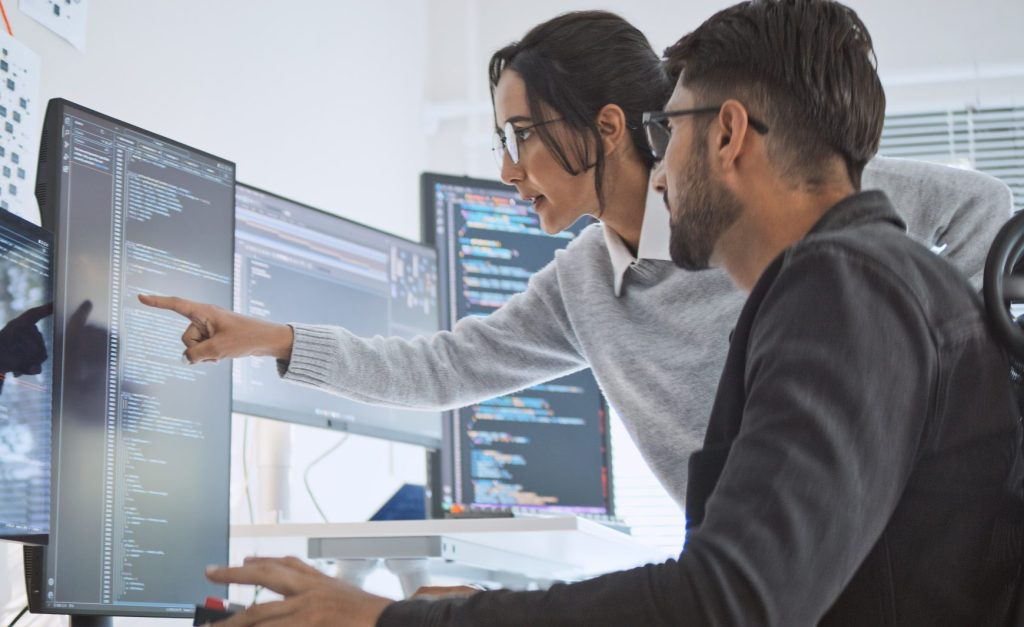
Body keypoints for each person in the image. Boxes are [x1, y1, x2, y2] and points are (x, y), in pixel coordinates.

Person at [200, 0, 1024, 624]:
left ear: (725, 135)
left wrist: (964, 365)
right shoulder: (594, 282)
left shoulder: (845, 276)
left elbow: (726, 599)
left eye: (672, 129)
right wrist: (282, 341)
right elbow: (447, 363)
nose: (662, 163)